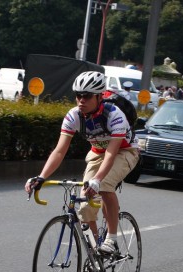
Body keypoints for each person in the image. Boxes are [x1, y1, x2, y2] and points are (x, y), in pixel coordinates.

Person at [24, 71, 139, 255]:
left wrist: (98, 179)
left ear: (99, 96)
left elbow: (111, 153)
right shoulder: (73, 116)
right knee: (85, 207)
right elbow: (60, 150)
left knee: (104, 185)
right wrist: (41, 177)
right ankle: (95, 255)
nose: (81, 100)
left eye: (86, 96)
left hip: (124, 151)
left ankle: (112, 239)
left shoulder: (114, 115)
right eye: (78, 95)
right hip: (97, 152)